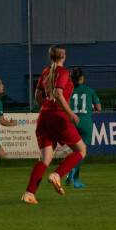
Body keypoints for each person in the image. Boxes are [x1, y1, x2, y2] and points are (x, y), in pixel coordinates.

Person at [21, 45, 87, 204]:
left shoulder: (45, 72)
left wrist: (48, 106)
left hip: (44, 115)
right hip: (58, 116)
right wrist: (70, 113)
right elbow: (58, 93)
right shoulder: (63, 72)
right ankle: (57, 175)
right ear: (63, 57)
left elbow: (38, 96)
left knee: (44, 158)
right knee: (81, 150)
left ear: (51, 57)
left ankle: (29, 194)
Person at [65, 67, 101, 188]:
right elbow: (99, 108)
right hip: (85, 124)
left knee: (76, 152)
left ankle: (76, 181)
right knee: (82, 152)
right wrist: (91, 105)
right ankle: (72, 173)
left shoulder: (67, 90)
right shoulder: (89, 90)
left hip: (72, 123)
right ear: (82, 78)